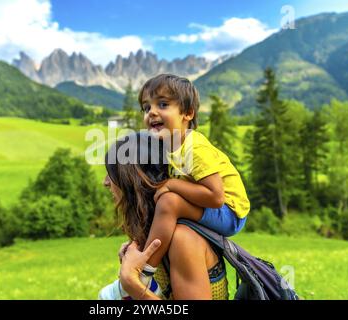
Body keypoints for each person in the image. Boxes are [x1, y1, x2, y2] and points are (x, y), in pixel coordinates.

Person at [100, 74, 250, 299]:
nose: (151, 112)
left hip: (230, 211)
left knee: (169, 200)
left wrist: (134, 285)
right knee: (168, 200)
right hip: (208, 205)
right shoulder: (168, 146)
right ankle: (144, 266)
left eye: (162, 104)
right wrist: (138, 245)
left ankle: (144, 272)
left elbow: (216, 196)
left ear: (188, 113)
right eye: (145, 107)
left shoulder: (194, 148)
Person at [99, 132, 228, 300]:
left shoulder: (183, 239)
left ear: (134, 184)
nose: (105, 182)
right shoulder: (158, 235)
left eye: (113, 174)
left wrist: (132, 285)